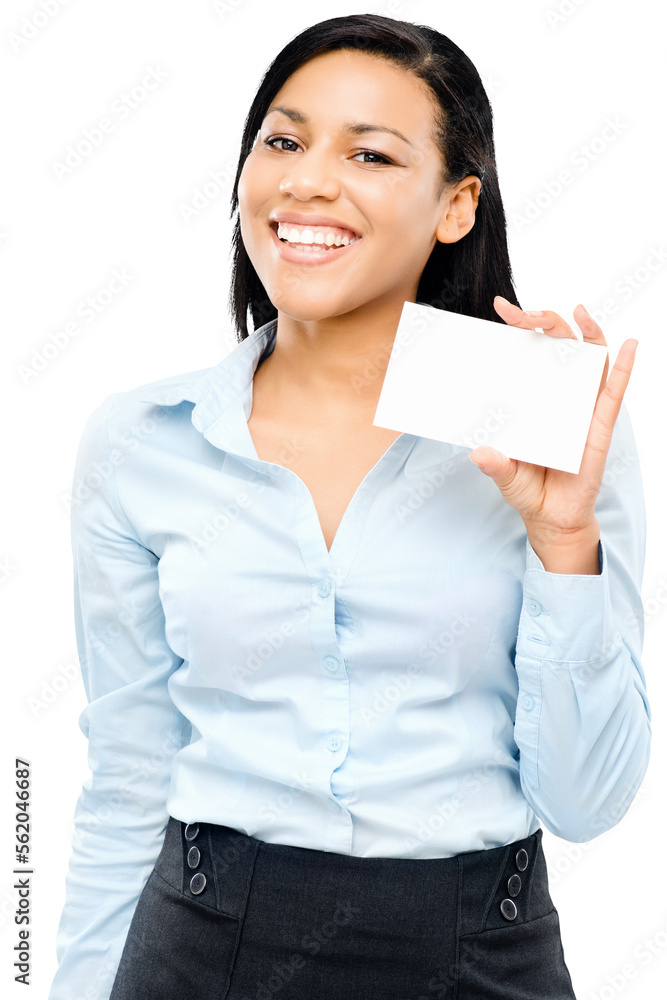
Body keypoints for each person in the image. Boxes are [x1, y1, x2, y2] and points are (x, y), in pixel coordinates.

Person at [49, 13, 650, 1000]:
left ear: (456, 204)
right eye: (283, 140)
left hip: (479, 953)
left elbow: (585, 803)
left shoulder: (548, 427)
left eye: (369, 153)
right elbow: (127, 774)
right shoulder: (140, 441)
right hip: (203, 948)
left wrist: (563, 538)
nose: (307, 180)